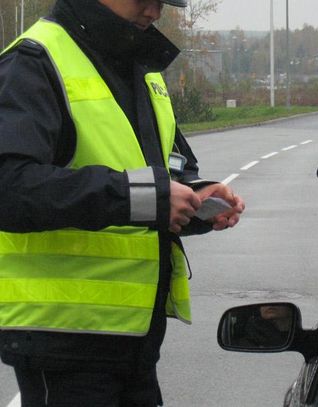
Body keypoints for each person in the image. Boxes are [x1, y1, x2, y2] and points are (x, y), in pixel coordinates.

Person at [0, 0, 244, 405]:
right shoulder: (35, 60)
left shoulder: (139, 69)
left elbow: (161, 172)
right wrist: (149, 199)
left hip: (133, 344)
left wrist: (195, 197)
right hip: (63, 340)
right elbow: (10, 185)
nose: (155, 10)